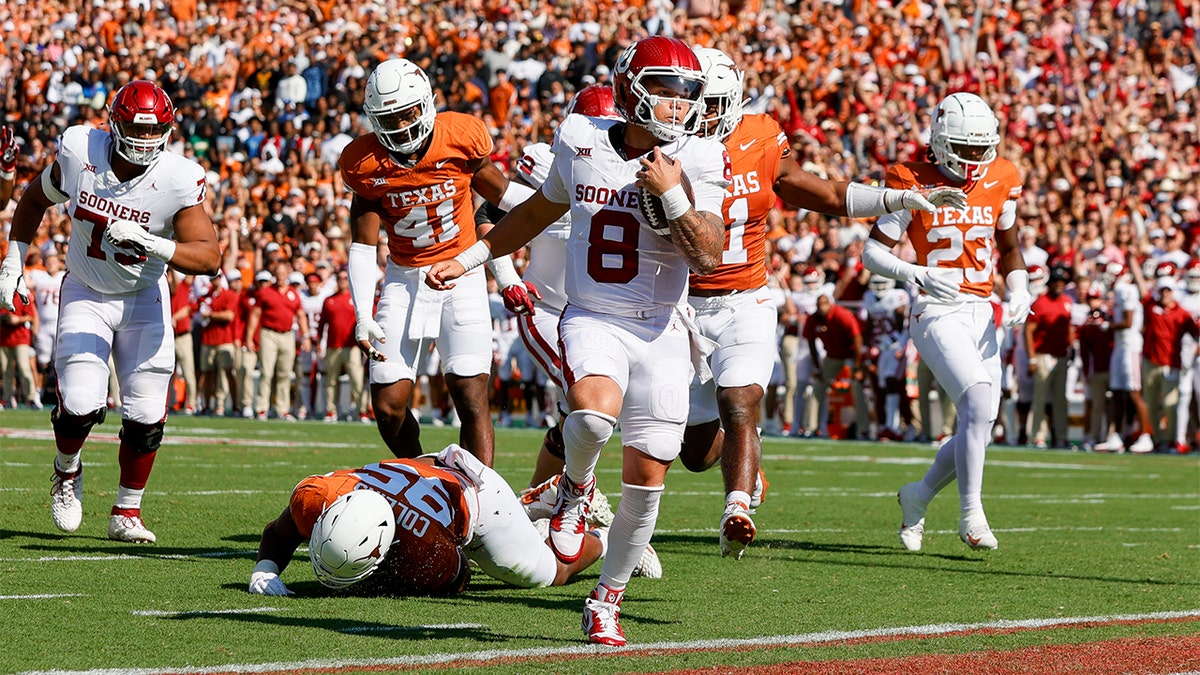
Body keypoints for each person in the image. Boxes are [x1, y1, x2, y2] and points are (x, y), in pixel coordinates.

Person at [426, 36, 730, 646]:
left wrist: (671, 194)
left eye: (686, 93)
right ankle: (575, 487)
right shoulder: (582, 140)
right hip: (593, 313)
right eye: (666, 91)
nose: (678, 106)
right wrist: (474, 256)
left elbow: (710, 252)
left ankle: (606, 600)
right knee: (590, 415)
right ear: (631, 92)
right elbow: (539, 210)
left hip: (663, 326)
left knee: (648, 482)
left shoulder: (699, 158)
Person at [679, 47, 965, 559]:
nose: (705, 114)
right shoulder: (665, 142)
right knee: (694, 452)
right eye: (695, 101)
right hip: (681, 303)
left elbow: (825, 193)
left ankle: (737, 507)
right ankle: (747, 462)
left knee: (739, 400)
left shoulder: (760, 137)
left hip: (746, 296)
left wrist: (893, 198)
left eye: (715, 102)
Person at [0, 81, 221, 543]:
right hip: (86, 287)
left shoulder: (178, 177)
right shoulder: (82, 150)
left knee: (146, 412)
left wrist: (153, 242)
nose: (144, 141)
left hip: (143, 296)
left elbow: (209, 257)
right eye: (135, 130)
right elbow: (36, 199)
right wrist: (13, 261)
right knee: (81, 402)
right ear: (112, 124)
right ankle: (66, 469)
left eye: (155, 130)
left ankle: (126, 511)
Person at [340, 57, 537, 465]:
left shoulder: (459, 136)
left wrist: (559, 207)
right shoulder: (364, 162)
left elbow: (502, 197)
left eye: (406, 113)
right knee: (388, 404)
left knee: (470, 394)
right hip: (403, 277)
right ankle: (424, 477)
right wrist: (362, 312)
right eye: (388, 118)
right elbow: (362, 245)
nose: (399, 125)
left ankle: (478, 499)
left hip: (460, 272)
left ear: (426, 103)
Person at [861, 92, 1029, 552]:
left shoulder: (1003, 175)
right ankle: (971, 514)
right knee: (977, 399)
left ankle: (917, 496)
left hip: (981, 312)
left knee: (981, 418)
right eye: (967, 148)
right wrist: (915, 272)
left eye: (982, 148)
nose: (976, 159)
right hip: (935, 308)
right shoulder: (910, 178)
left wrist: (1019, 289)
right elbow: (872, 251)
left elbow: (1010, 246)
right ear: (940, 139)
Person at [247, 444, 659, 596]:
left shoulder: (422, 544)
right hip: (433, 469)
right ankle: (537, 503)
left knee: (551, 572)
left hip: (481, 502)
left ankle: (613, 540)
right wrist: (265, 569)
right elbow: (279, 533)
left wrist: (395, 577)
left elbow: (459, 576)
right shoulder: (320, 496)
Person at [1094, 262, 1155, 453]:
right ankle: (1117, 436)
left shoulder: (1125, 288)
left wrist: (1107, 326)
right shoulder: (1120, 290)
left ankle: (1146, 435)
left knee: (1134, 392)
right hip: (1121, 345)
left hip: (1130, 345)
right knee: (1117, 392)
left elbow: (1128, 322)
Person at [244, 261, 309, 421]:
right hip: (269, 333)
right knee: (266, 372)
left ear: (287, 274)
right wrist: (249, 337)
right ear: (275, 275)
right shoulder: (266, 292)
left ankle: (282, 408)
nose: (281, 277)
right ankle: (262, 408)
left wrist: (305, 335)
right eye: (278, 274)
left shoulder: (294, 293)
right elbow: (255, 315)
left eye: (283, 274)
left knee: (285, 373)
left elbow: (300, 315)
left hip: (287, 334)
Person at [1141, 277, 1198, 452]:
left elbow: (1196, 333)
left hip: (1171, 364)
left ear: (1173, 292)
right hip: (1150, 361)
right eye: (1162, 291)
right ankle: (1158, 439)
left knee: (1170, 404)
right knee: (1151, 405)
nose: (1165, 294)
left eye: (1168, 291)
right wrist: (1131, 260)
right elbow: (1142, 286)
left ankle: (1172, 439)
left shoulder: (1182, 313)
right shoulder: (1151, 306)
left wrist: (1194, 352)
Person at [1024, 265, 1074, 448]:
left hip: (1061, 355)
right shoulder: (1040, 303)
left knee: (1061, 399)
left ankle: (1061, 436)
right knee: (1040, 398)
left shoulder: (1067, 301)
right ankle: (1037, 435)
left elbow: (1069, 328)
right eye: (1056, 282)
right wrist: (1032, 358)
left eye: (1062, 282)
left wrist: (1071, 347)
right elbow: (1029, 331)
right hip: (1043, 354)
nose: (1059, 285)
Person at [316, 269, 366, 422]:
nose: (343, 281)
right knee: (331, 380)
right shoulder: (329, 300)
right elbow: (322, 324)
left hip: (352, 347)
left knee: (357, 380)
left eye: (345, 278)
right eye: (340, 278)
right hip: (333, 346)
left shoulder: (356, 299)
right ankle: (331, 410)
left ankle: (361, 411)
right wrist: (319, 343)